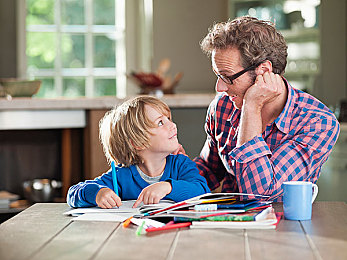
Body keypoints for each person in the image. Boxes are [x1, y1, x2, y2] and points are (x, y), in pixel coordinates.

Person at [193, 16, 340, 201]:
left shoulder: (317, 122)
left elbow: (260, 194)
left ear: (263, 71)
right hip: (229, 222)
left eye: (227, 77)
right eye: (217, 75)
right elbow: (208, 170)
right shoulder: (222, 106)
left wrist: (251, 108)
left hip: (284, 227)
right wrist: (169, 179)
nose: (219, 88)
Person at [67, 96, 210, 208]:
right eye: (160, 122)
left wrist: (168, 187)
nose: (172, 125)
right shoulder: (121, 176)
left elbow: (203, 192)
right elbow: (73, 193)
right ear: (137, 143)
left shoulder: (181, 164)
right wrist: (97, 193)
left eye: (168, 119)